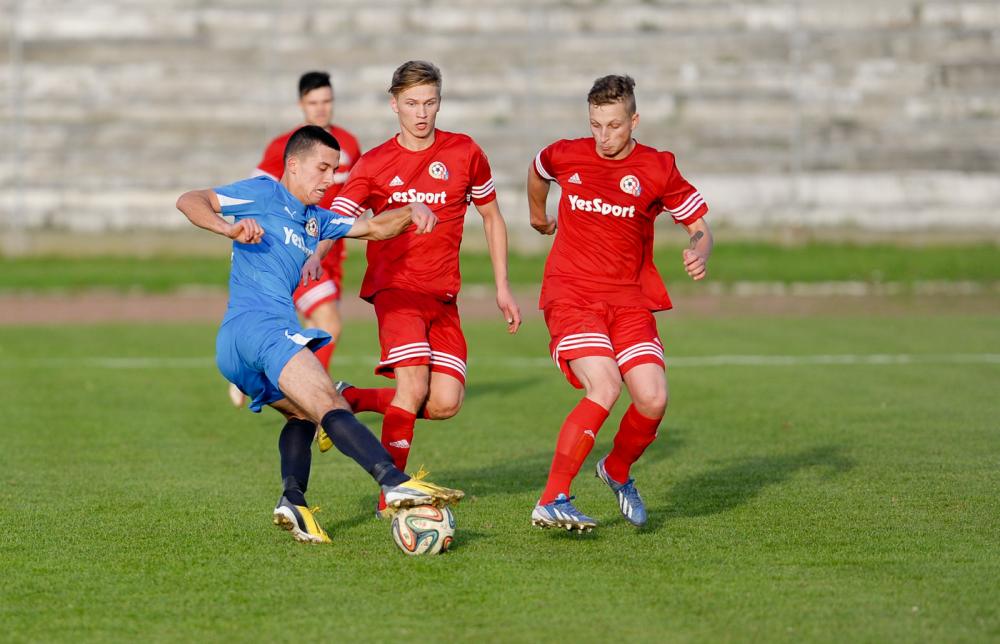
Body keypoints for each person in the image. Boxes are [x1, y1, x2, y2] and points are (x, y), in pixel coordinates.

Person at [176, 125, 462, 544]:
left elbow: (375, 228)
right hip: (262, 329)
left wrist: (412, 208)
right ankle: (393, 480)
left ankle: (293, 499)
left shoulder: (317, 221)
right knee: (330, 401)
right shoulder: (263, 192)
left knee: (301, 414)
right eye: (322, 168)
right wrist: (227, 228)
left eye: (335, 170)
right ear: (292, 165)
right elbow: (189, 200)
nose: (330, 179)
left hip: (235, 346)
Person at [326, 60, 522, 517]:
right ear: (394, 104)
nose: (421, 113)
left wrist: (503, 288)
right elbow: (336, 220)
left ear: (440, 103)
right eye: (412, 103)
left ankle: (350, 398)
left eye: (429, 103)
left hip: (443, 297)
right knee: (411, 387)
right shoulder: (374, 163)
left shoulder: (465, 152)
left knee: (445, 403)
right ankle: (390, 496)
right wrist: (316, 256)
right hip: (395, 291)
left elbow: (492, 217)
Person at [526, 75, 713, 531]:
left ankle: (616, 470)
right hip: (572, 293)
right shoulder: (567, 153)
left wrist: (699, 250)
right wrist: (537, 216)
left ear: (634, 120)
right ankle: (552, 499)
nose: (604, 137)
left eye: (613, 125)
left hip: (630, 300)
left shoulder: (657, 167)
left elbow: (700, 224)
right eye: (596, 125)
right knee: (605, 386)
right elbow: (538, 170)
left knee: (652, 398)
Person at [228, 71, 362, 408]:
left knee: (308, 332)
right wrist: (245, 228)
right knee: (329, 323)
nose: (321, 109)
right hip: (296, 251)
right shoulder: (288, 147)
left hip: (333, 253)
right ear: (302, 104)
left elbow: (357, 194)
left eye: (327, 101)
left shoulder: (349, 144)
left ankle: (249, 371)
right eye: (313, 102)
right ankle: (316, 402)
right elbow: (254, 192)